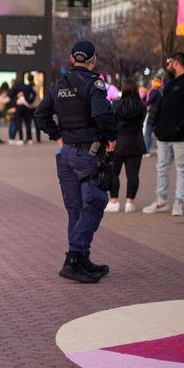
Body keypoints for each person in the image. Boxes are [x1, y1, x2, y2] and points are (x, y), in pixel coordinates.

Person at [34, 40, 118, 284]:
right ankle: (73, 258)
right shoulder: (94, 84)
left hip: (66, 155)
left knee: (75, 209)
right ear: (93, 60)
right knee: (94, 203)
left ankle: (81, 259)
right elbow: (102, 114)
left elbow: (40, 114)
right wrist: (112, 138)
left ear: (72, 59)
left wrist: (57, 136)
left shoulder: (59, 86)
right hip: (88, 155)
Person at [143, 52, 184, 216]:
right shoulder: (170, 84)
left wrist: (180, 127)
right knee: (161, 167)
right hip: (164, 136)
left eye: (169, 63)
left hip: (182, 137)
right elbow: (161, 106)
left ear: (176, 62)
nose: (167, 67)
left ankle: (179, 202)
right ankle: (161, 200)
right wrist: (156, 125)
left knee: (182, 168)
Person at [104, 78, 146, 213]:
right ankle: (129, 202)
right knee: (133, 175)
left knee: (113, 173)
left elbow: (110, 124)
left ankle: (114, 201)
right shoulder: (141, 106)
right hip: (136, 143)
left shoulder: (116, 105)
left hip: (118, 143)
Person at [143, 77, 162, 154]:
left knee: (148, 133)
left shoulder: (154, 91)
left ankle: (146, 150)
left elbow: (149, 101)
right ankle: (159, 149)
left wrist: (143, 105)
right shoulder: (160, 91)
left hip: (152, 114)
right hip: (158, 114)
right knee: (157, 133)